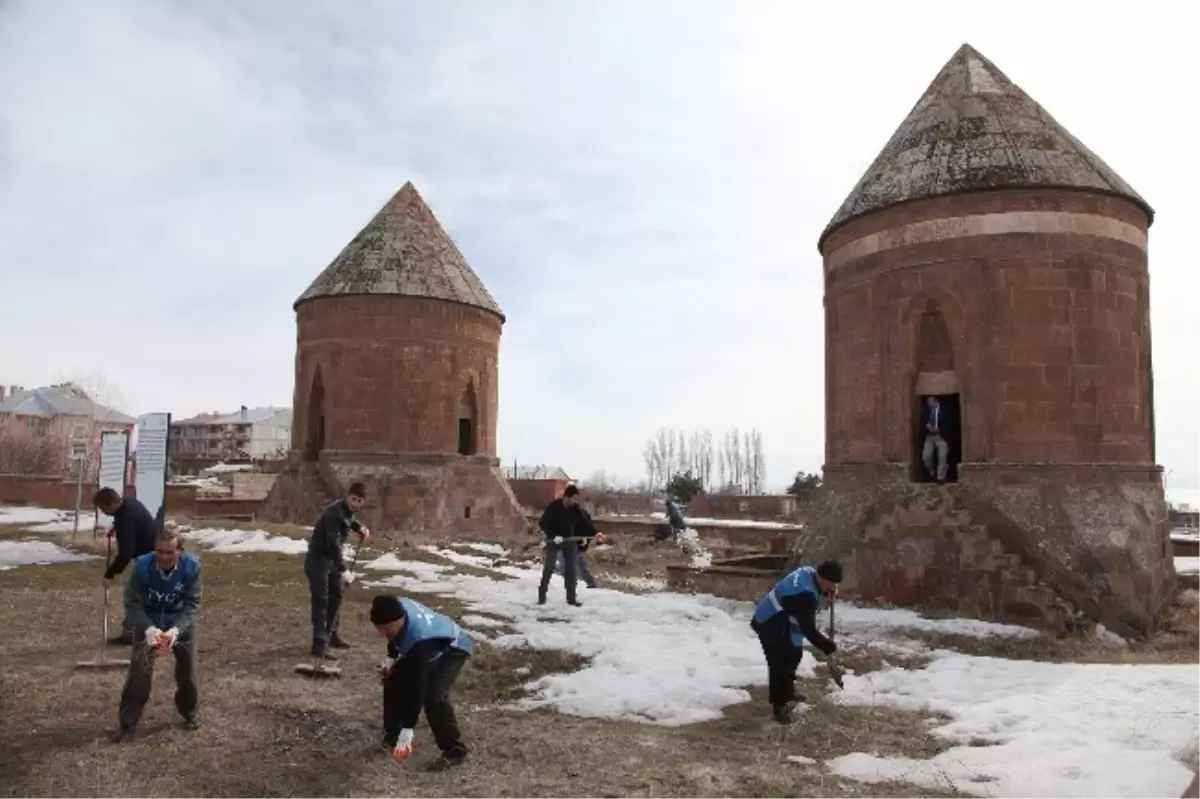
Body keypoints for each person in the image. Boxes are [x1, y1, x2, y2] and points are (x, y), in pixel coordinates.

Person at [112, 527, 203, 742]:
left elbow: (193, 604)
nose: (163, 557)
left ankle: (189, 712)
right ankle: (127, 724)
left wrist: (175, 631)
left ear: (180, 551)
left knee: (187, 670)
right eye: (159, 552)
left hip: (180, 620)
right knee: (138, 672)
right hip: (149, 619)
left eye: (169, 552)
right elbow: (132, 602)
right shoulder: (142, 566)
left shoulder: (192, 567)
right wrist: (148, 628)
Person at [370, 594, 472, 771]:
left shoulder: (420, 642)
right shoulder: (395, 605)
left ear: (400, 619)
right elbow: (395, 637)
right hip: (430, 642)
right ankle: (392, 735)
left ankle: (454, 751)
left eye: (386, 628)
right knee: (392, 679)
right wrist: (391, 658)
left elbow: (417, 687)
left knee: (434, 697)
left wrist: (409, 728)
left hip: (454, 648)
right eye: (379, 628)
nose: (382, 633)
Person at [749, 559, 843, 723]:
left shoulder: (809, 571)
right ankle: (780, 707)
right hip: (769, 620)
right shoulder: (804, 595)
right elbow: (809, 631)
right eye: (832, 584)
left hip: (785, 616)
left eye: (836, 585)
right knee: (780, 662)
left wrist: (825, 591)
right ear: (822, 578)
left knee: (794, 654)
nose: (834, 588)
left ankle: (788, 693)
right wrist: (828, 646)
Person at [305, 482, 371, 657]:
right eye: (352, 498)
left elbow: (350, 520)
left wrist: (360, 528)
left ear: (362, 502)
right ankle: (319, 644)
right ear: (347, 496)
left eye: (359, 500)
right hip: (318, 559)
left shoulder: (346, 511)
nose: (354, 503)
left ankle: (331, 634)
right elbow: (334, 545)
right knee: (322, 600)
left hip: (331, 560)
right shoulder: (334, 513)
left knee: (336, 595)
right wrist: (344, 570)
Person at [94, 486, 160, 645]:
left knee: (134, 597)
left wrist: (110, 574)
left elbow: (126, 552)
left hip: (148, 559)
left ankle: (134, 634)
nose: (103, 512)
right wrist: (115, 527)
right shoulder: (130, 504)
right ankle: (137, 631)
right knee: (140, 597)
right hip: (153, 555)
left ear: (111, 503)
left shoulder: (125, 517)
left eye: (103, 508)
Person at [537, 484, 596, 606]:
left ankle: (571, 599)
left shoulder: (575, 508)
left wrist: (595, 533)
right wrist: (553, 536)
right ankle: (542, 596)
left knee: (571, 569)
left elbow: (584, 523)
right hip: (553, 541)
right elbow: (543, 523)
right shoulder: (554, 506)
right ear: (567, 497)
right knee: (549, 566)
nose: (575, 501)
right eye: (574, 498)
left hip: (568, 541)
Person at [557, 511, 602, 589]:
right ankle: (575, 582)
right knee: (566, 566)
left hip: (577, 546)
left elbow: (589, 529)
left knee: (577, 567)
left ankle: (587, 583)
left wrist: (592, 536)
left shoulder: (581, 517)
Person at [922, 395, 949, 482]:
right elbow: (922, 422)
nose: (929, 404)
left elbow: (950, 423)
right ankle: (932, 473)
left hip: (941, 435)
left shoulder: (944, 410)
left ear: (935, 401)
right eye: (928, 402)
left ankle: (941, 477)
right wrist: (927, 426)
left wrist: (939, 429)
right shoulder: (927, 411)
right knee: (926, 456)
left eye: (930, 402)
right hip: (930, 436)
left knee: (942, 456)